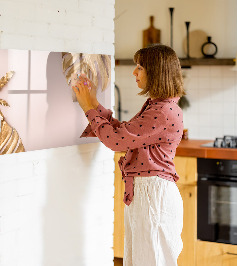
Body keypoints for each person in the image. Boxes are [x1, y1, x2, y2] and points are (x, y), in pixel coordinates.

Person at [72, 44, 185, 266]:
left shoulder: (162, 111)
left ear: (156, 71)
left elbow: (116, 141)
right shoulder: (158, 106)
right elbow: (124, 133)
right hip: (148, 193)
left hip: (153, 195)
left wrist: (88, 108)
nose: (134, 72)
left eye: (140, 67)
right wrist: (94, 104)